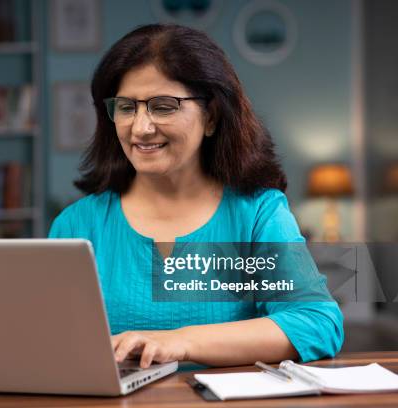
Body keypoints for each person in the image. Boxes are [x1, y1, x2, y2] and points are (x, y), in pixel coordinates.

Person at [48, 24, 344, 368]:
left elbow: (316, 323)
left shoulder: (257, 212)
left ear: (212, 117)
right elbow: (50, 344)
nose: (140, 128)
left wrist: (180, 341)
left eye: (163, 106)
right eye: (126, 107)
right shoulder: (77, 224)